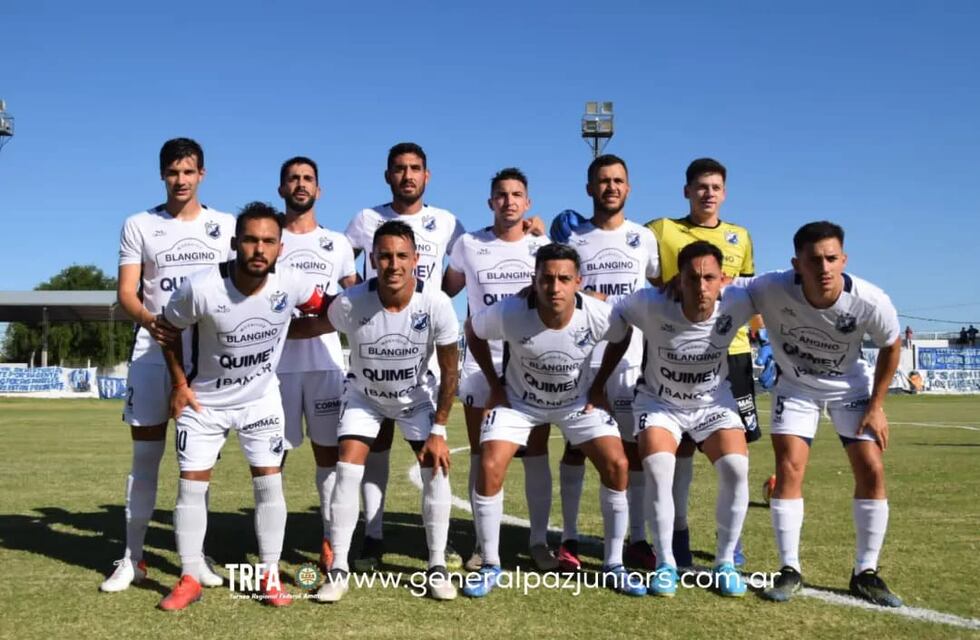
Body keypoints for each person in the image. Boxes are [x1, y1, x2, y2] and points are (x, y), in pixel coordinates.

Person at [156, 202, 331, 610]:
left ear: (280, 248)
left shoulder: (292, 282)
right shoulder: (200, 288)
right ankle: (188, 575)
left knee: (269, 484)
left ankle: (269, 574)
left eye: (268, 241)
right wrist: (180, 384)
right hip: (206, 404)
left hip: (260, 400)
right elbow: (167, 329)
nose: (259, 249)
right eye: (250, 240)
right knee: (191, 487)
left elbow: (328, 309)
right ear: (234, 244)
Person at [463, 243, 646, 598]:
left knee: (618, 462)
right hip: (518, 403)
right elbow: (473, 330)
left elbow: (622, 338)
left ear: (579, 281)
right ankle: (489, 563)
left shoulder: (598, 314)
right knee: (489, 464)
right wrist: (493, 385)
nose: (555, 287)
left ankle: (613, 564)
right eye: (547, 278)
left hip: (576, 403)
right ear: (535, 280)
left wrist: (597, 387)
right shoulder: (511, 311)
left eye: (564, 279)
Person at [747, 221, 903, 607]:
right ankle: (789, 568)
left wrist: (877, 406)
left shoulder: (870, 300)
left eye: (832, 258)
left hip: (850, 387)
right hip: (796, 388)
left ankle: (866, 572)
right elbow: (728, 291)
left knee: (872, 468)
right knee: (790, 467)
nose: (824, 267)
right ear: (796, 263)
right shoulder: (769, 288)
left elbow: (891, 345)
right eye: (814, 259)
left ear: (844, 259)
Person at [103, 137, 231, 593]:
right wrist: (152, 322)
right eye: (173, 172)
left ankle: (193, 559)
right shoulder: (139, 224)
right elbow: (127, 292)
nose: (181, 180)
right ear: (162, 175)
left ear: (202, 174)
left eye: (189, 172)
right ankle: (132, 558)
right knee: (146, 458)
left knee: (197, 465)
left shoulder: (225, 226)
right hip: (153, 350)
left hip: (208, 357)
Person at [309, 220, 461, 602]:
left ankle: (437, 565)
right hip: (365, 398)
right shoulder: (350, 302)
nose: (393, 264)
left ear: (416, 260)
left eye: (401, 256)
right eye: (385, 256)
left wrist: (439, 429)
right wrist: (275, 328)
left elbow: (450, 369)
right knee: (347, 469)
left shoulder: (437, 303)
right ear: (372, 259)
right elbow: (313, 326)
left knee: (435, 468)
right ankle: (339, 568)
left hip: (416, 400)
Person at [591, 241, 754, 597]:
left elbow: (787, 288)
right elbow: (610, 306)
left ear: (722, 279)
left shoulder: (740, 300)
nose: (701, 286)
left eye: (709, 277)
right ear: (677, 280)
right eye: (692, 278)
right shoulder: (650, 304)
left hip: (713, 403)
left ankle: (725, 562)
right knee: (660, 468)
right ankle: (665, 563)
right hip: (660, 403)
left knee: (736, 469)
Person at [343, 142, 464, 570]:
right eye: (399, 169)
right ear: (387, 176)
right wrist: (369, 304)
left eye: (415, 169)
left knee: (431, 457)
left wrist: (431, 306)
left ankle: (439, 544)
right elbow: (344, 265)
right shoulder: (366, 219)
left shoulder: (447, 221)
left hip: (423, 349)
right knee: (375, 446)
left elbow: (466, 266)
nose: (407, 175)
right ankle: (372, 535)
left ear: (426, 176)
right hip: (378, 348)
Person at [645, 158, 764, 569]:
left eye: (715, 187)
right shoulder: (662, 230)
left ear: (725, 192)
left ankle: (731, 541)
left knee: (734, 453)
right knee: (678, 451)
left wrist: (758, 335)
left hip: (733, 356)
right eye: (700, 187)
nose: (708, 193)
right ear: (686, 191)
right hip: (677, 352)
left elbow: (751, 293)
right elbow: (625, 256)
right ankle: (677, 533)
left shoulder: (741, 236)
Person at [442, 167, 556, 571]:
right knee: (482, 453)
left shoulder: (542, 245)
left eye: (516, 195)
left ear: (528, 203)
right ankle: (481, 542)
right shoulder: (469, 244)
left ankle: (539, 542)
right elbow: (446, 292)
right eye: (501, 195)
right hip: (481, 363)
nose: (509, 201)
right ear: (490, 202)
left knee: (537, 451)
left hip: (533, 364)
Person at [553, 155, 661, 573]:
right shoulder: (574, 237)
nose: (610, 187)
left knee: (632, 453)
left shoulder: (643, 238)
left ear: (628, 188)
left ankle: (637, 539)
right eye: (602, 181)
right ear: (589, 189)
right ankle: (569, 539)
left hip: (632, 362)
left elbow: (655, 288)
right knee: (576, 449)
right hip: (582, 361)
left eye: (618, 181)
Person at [275, 156, 358, 573]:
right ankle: (269, 543)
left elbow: (355, 300)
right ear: (281, 189)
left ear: (319, 190)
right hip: (274, 370)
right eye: (293, 179)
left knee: (329, 456)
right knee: (273, 459)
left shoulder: (337, 243)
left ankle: (329, 540)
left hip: (326, 366)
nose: (300, 185)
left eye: (308, 179)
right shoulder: (269, 240)